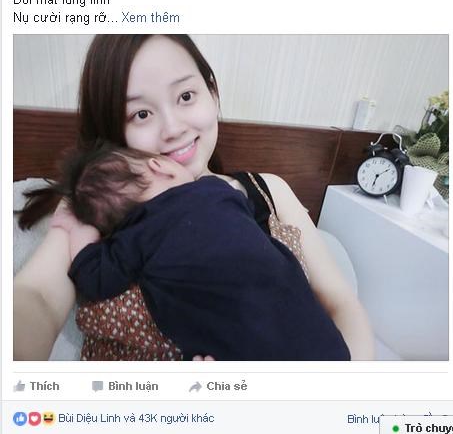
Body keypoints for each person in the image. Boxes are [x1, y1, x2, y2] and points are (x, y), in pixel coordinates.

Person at [14, 34, 374, 361]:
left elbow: (341, 302)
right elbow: (37, 297)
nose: (173, 129)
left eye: (185, 96)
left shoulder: (269, 189)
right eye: (141, 113)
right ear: (112, 127)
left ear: (212, 92)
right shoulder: (101, 202)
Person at [47, 144, 351, 361]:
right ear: (159, 165)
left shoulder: (135, 238)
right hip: (325, 346)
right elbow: (246, 215)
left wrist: (80, 231)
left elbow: (93, 277)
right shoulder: (217, 190)